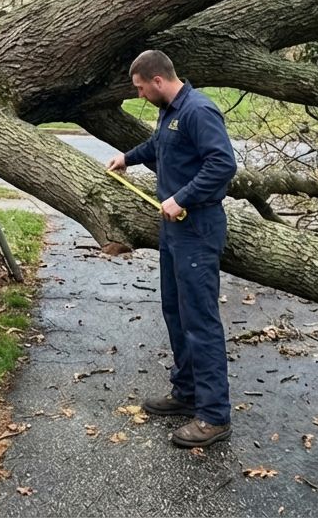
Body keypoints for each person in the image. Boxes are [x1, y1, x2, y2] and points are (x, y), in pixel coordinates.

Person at [105, 50, 237, 448]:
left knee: (201, 321)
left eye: (141, 88)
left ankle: (214, 416)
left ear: (157, 80)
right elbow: (159, 145)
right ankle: (187, 393)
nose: (140, 95)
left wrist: (182, 197)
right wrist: (128, 158)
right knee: (176, 313)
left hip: (196, 227)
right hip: (174, 233)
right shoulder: (171, 112)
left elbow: (223, 164)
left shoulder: (199, 111)